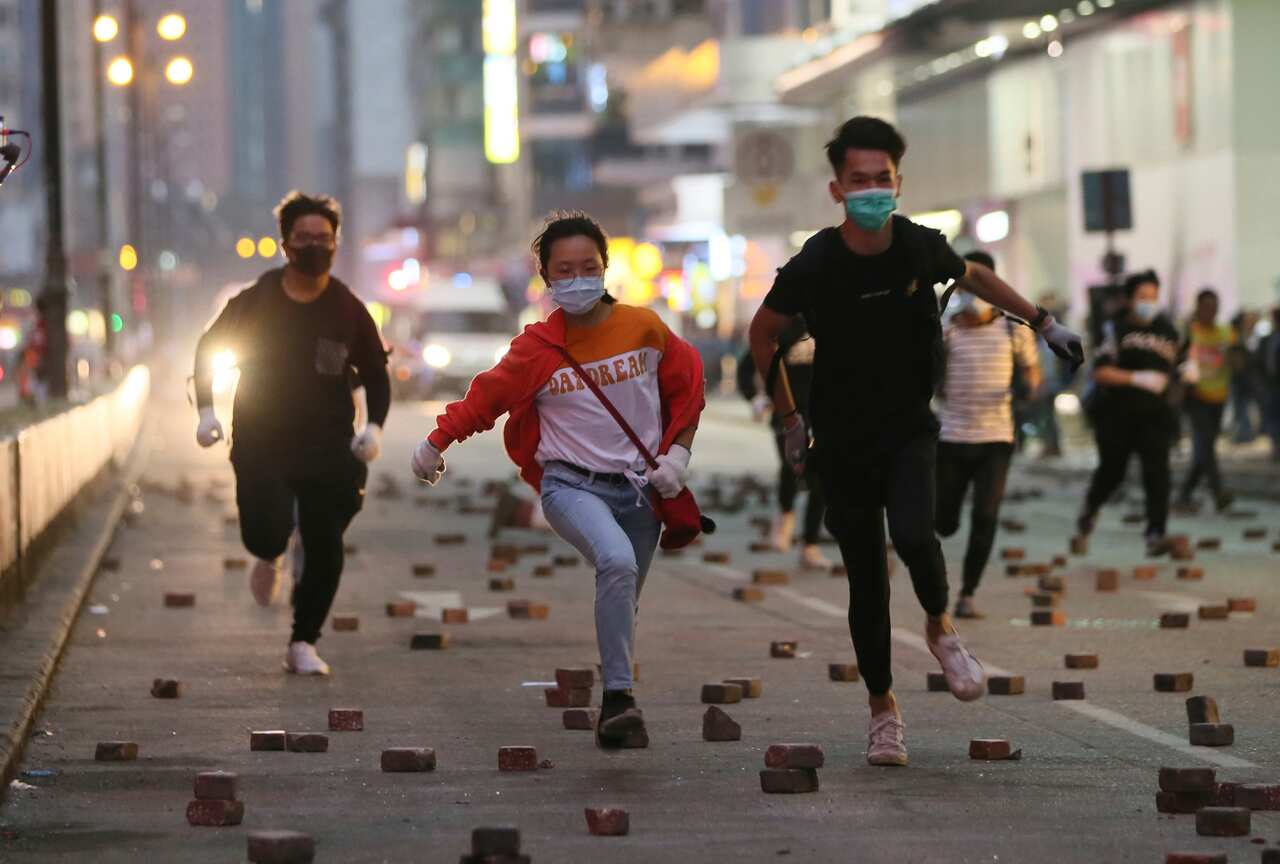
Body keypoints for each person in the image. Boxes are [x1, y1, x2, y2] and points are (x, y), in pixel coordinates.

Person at [747, 116, 1083, 768]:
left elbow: (973, 277)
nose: (872, 190)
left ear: (899, 183)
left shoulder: (918, 246)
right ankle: (883, 711)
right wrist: (790, 418)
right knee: (867, 584)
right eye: (859, 181)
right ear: (836, 189)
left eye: (883, 179)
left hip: (908, 431)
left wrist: (1043, 323)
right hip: (839, 444)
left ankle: (938, 625)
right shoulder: (816, 261)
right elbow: (763, 335)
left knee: (916, 533)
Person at [411, 211, 705, 747]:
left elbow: (689, 384)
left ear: (605, 267)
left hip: (640, 493)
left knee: (624, 592)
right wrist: (436, 441)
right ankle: (619, 699)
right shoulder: (537, 350)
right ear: (547, 280)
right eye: (564, 271)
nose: (578, 279)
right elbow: (487, 398)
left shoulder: (645, 327)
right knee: (615, 563)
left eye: (588, 267)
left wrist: (677, 455)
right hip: (570, 486)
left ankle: (613, 702)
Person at [192, 191, 389, 676]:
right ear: (285, 244)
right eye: (304, 238)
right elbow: (207, 348)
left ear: (336, 243)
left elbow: (377, 372)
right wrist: (206, 411)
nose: (314, 246)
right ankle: (271, 552)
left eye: (323, 238)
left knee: (325, 542)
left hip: (328, 444)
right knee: (265, 530)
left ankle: (304, 641)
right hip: (262, 440)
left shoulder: (347, 308)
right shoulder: (256, 300)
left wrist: (374, 426)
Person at [935, 251, 1041, 619]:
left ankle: (967, 593)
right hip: (951, 437)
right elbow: (931, 378)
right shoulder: (944, 328)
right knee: (944, 523)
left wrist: (1028, 388)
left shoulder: (1013, 329)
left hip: (996, 438)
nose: (974, 293)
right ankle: (945, 533)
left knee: (986, 515)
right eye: (967, 286)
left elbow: (1032, 373)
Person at [1075, 270, 1179, 555]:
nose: (1149, 302)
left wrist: (1187, 372)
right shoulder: (1115, 330)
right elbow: (1101, 372)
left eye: (1153, 297)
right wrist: (1137, 378)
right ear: (1130, 300)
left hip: (1155, 416)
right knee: (1112, 472)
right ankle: (1090, 510)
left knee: (1158, 473)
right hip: (1117, 415)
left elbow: (1180, 365)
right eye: (1143, 297)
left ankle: (1156, 533)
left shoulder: (1168, 332)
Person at [736, 318, 831, 569]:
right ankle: (785, 516)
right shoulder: (781, 329)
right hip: (785, 415)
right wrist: (754, 398)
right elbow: (746, 367)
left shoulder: (828, 324)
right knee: (792, 465)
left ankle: (810, 546)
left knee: (820, 478)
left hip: (820, 415)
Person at [1176, 288, 1235, 512]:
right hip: (1196, 397)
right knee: (1206, 444)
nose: (1211, 310)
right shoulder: (1190, 333)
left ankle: (1185, 493)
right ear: (1198, 307)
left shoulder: (1225, 332)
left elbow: (1236, 357)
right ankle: (1218, 491)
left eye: (1214, 306)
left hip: (1219, 396)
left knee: (1205, 447)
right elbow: (1179, 361)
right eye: (1206, 306)